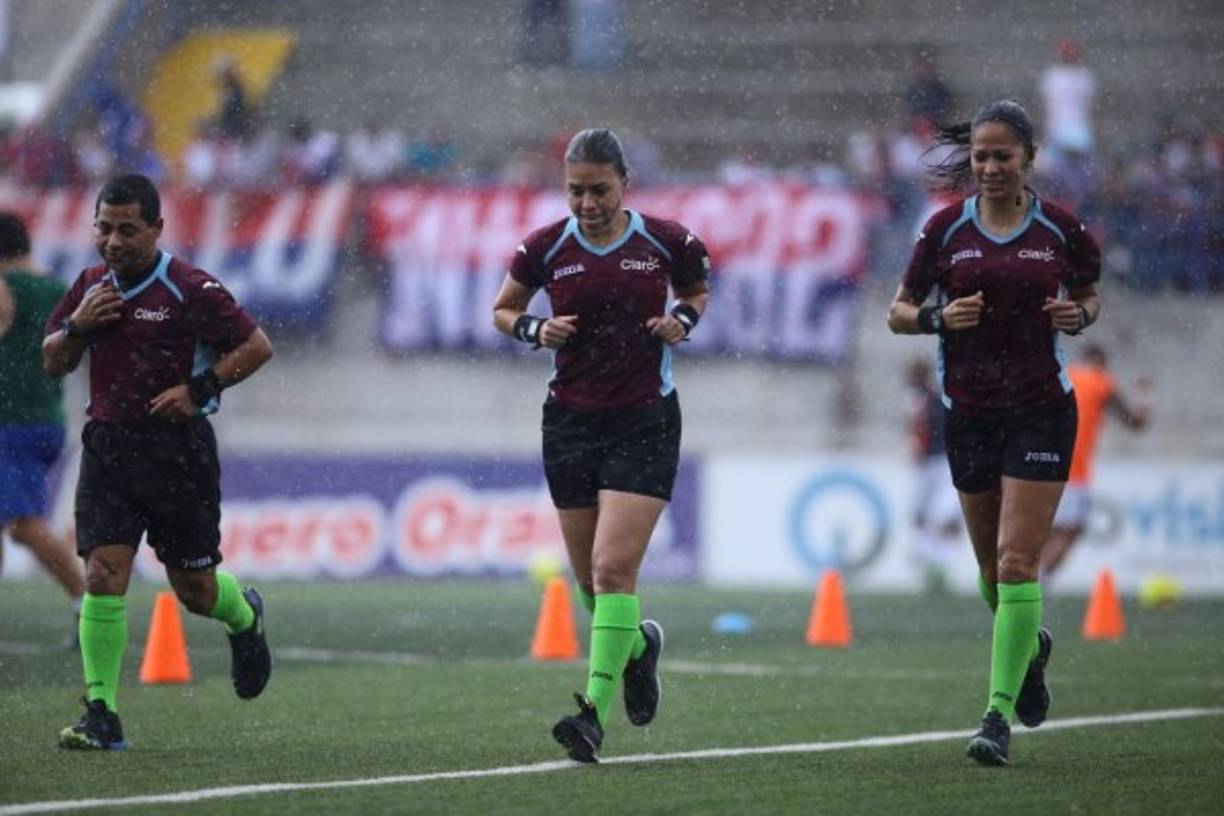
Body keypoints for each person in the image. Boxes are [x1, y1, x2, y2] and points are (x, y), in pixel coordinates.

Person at [886, 100, 1101, 766]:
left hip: (1040, 409)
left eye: (1002, 156)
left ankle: (996, 717)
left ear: (1029, 159)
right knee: (988, 571)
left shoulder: (1062, 230)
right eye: (980, 156)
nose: (989, 167)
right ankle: (1029, 650)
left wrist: (1078, 315)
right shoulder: (945, 231)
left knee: (1015, 563)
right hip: (970, 412)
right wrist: (938, 319)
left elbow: (1090, 294)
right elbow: (897, 312)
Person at [492, 128, 710, 763]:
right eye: (575, 192)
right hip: (569, 423)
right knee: (591, 583)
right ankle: (639, 649)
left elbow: (695, 290)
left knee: (615, 571)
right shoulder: (545, 247)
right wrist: (534, 327)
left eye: (599, 191)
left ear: (625, 185)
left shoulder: (666, 241)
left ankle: (591, 716)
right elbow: (503, 309)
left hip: (644, 421)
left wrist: (684, 320)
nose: (587, 204)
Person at [43, 174, 275, 751]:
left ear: (156, 229)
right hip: (109, 448)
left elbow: (256, 347)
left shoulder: (189, 286)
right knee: (102, 573)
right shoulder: (91, 286)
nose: (113, 241)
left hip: (179, 453)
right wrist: (77, 326)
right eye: (104, 227)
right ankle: (102, 711)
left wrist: (198, 389)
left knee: (193, 589)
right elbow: (53, 360)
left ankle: (243, 616)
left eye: (127, 229)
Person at [0, 212, 86, 637]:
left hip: (11, 420)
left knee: (25, 524)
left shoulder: (7, 288)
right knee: (18, 525)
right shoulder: (58, 289)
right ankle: (85, 601)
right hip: (48, 418)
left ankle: (87, 602)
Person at [1042, 344, 1150, 578]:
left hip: (1043, 462)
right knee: (1070, 529)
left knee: (1048, 529)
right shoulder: (1102, 382)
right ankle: (1037, 582)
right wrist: (1144, 394)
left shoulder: (1066, 375)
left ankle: (1024, 582)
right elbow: (1136, 423)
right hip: (1074, 469)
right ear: (1102, 363)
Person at [903, 357, 962, 591]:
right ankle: (930, 561)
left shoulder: (933, 397)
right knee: (920, 513)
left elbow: (924, 427)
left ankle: (940, 563)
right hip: (928, 461)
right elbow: (914, 429)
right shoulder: (917, 398)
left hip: (942, 460)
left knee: (944, 514)